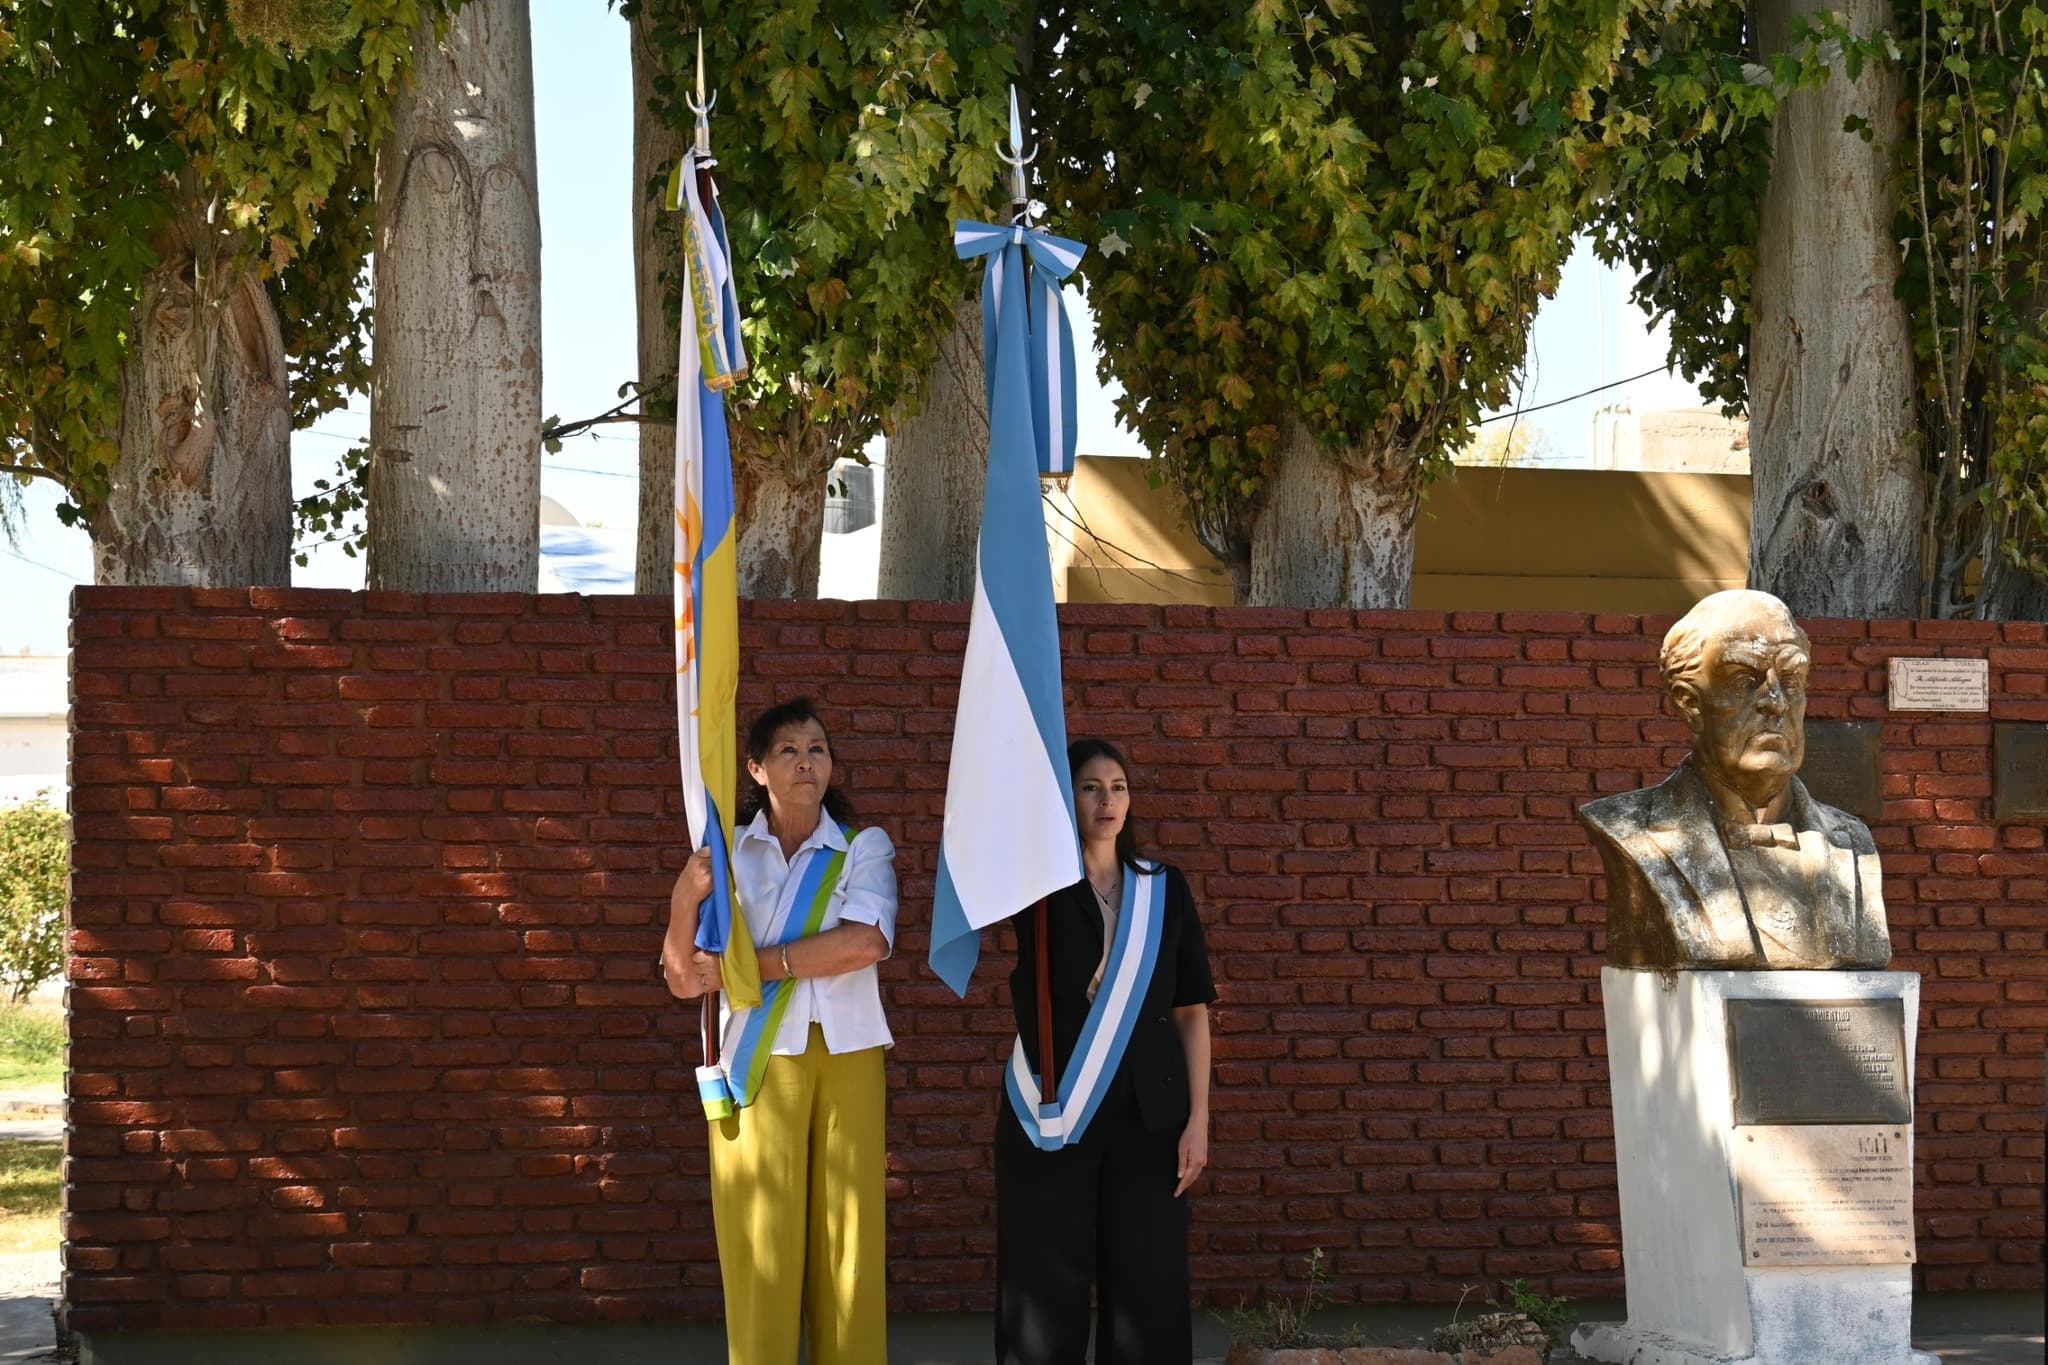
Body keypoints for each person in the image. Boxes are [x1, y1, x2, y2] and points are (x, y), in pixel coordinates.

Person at [661, 698, 897, 1365]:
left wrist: (746, 966)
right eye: (788, 750)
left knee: (848, 1247)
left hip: (848, 1055)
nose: (805, 762)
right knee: (761, 1246)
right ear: (756, 767)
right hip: (758, 1066)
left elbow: (866, 942)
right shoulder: (726, 852)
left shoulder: (863, 846)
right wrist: (685, 899)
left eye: (818, 748)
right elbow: (683, 978)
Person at [995, 738, 1216, 1365]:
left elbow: (1192, 1012)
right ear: (1066, 798)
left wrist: (1199, 1120)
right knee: (1044, 1290)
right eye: (1090, 786)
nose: (1106, 800)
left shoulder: (1164, 888)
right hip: (1052, 1108)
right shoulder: (1035, 890)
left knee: (1148, 1292)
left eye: (1117, 786)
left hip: (1150, 1117)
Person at [1579, 588, 1890, 970]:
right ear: (1690, 702)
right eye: (1745, 680)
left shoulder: (1853, 843)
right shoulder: (1628, 829)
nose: (1776, 702)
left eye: (1791, 678)